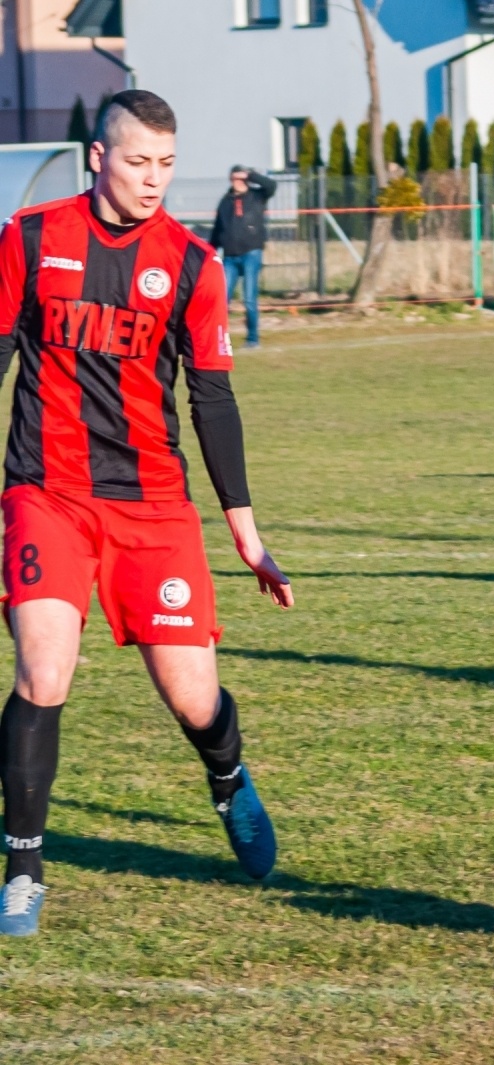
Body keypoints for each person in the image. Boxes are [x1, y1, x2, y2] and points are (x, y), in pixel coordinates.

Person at [0, 90, 293, 937]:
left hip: (152, 508)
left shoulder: (192, 265)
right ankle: (23, 868)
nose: (153, 179)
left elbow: (213, 400)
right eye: (137, 162)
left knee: (193, 696)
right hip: (45, 492)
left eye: (166, 163)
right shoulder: (29, 239)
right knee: (43, 671)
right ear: (98, 157)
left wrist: (245, 531)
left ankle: (229, 779)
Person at [209, 164, 277, 349]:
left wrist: (252, 174)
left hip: (251, 253)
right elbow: (217, 229)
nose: (237, 182)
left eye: (241, 178)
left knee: (249, 299)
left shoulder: (257, 196)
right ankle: (218, 339)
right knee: (222, 300)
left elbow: (271, 185)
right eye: (234, 178)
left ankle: (253, 339)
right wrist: (209, 251)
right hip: (230, 257)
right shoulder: (225, 202)